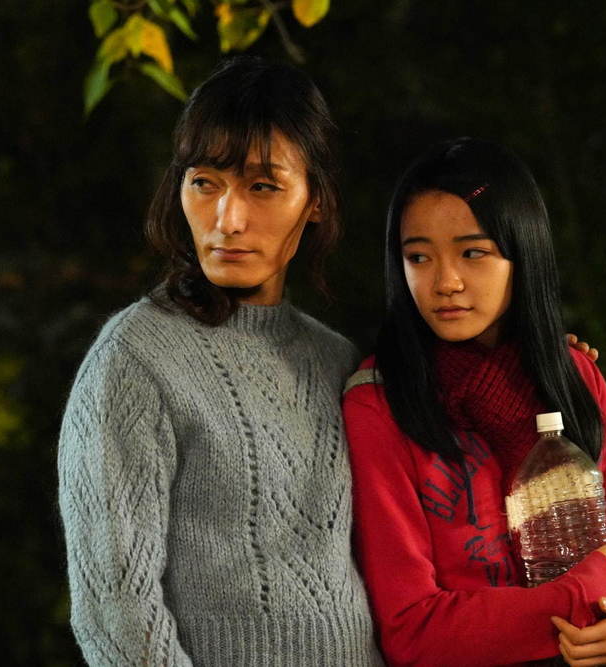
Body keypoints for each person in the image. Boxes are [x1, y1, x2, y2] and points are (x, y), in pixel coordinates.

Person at [57, 56, 384, 666]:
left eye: (263, 187)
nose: (228, 220)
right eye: (205, 183)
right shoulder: (136, 357)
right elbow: (115, 611)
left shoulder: (337, 360)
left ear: (315, 199)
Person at [342, 138, 606, 666]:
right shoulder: (380, 402)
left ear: (522, 254)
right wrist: (578, 595)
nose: (445, 282)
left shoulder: (573, 377)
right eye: (418, 257)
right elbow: (411, 630)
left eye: (473, 252)